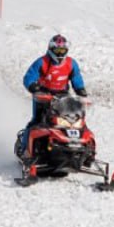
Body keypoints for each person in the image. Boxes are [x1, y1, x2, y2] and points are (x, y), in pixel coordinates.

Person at [18, 34, 87, 171]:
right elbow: (29, 77)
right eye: (57, 51)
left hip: (63, 96)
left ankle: (82, 151)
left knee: (74, 121)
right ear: (51, 49)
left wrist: (80, 89)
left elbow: (76, 77)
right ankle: (25, 151)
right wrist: (33, 87)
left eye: (62, 51)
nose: (60, 53)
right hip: (43, 96)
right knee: (36, 122)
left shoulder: (70, 63)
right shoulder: (41, 62)